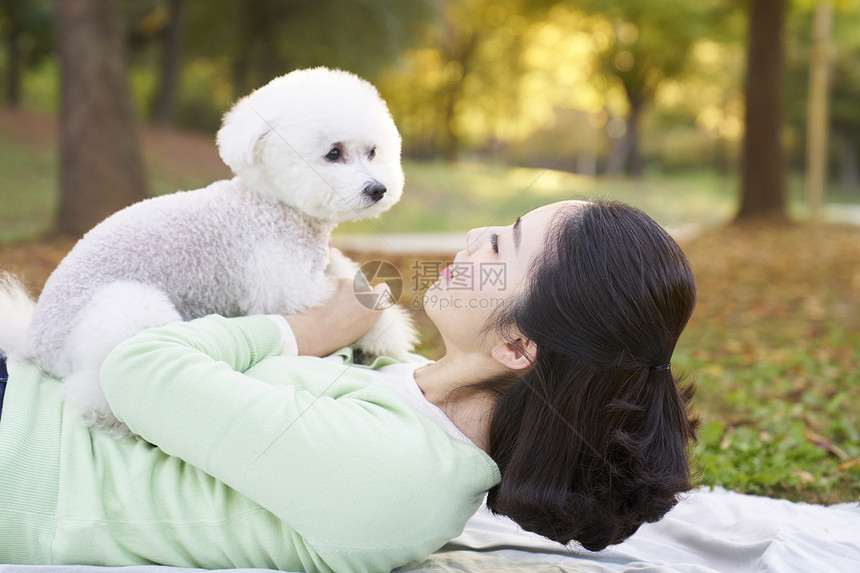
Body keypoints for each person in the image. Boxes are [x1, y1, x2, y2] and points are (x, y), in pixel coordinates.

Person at [0, 199, 698, 572]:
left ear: (516, 346)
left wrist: (306, 329)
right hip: (29, 386)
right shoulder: (416, 394)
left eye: (502, 245)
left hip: (23, 449)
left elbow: (135, 371)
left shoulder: (396, 477)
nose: (474, 233)